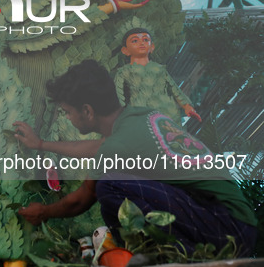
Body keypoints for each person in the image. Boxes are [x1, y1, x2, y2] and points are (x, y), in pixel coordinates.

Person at [18, 60, 256, 257]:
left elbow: (79, 201)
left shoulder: (117, 146)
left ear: (88, 111)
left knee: (109, 185)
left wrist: (43, 212)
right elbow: (98, 147)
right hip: (238, 224)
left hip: (225, 232)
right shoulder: (142, 116)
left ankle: (184, 260)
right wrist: (41, 144)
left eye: (68, 112)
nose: (67, 118)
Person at [114, 28, 201, 123]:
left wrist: (187, 106)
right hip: (141, 117)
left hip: (169, 115)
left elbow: (175, 90)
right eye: (135, 41)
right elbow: (116, 96)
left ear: (152, 47)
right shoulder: (123, 72)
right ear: (125, 50)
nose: (141, 43)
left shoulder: (160, 69)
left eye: (145, 40)